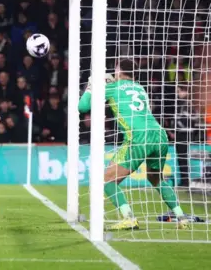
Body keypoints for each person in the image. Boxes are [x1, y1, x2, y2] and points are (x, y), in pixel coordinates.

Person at [78, 59, 189, 230]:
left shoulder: (112, 88)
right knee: (155, 178)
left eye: (115, 69)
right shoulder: (140, 88)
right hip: (159, 135)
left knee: (106, 180)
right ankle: (181, 217)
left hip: (138, 137)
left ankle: (128, 217)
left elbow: (83, 106)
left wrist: (92, 85)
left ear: (119, 71)